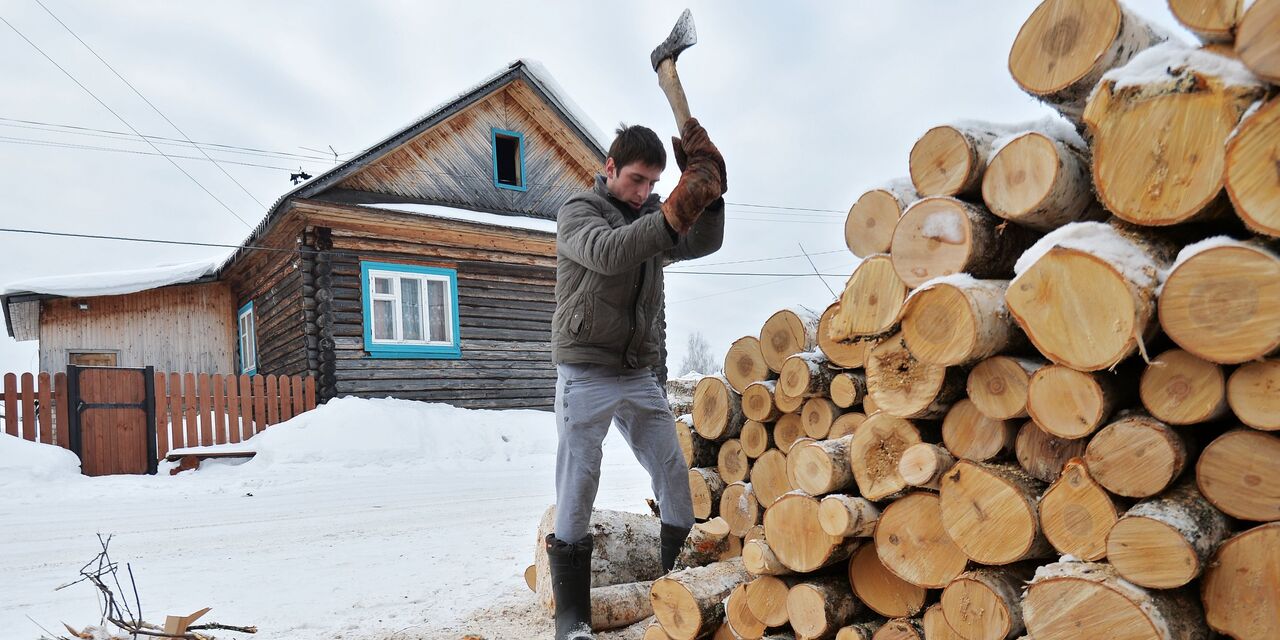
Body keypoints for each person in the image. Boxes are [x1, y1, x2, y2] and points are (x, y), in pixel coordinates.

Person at [544, 118, 726, 640]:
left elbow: (701, 244)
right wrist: (671, 213)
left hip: (638, 372)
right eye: (636, 180)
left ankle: (683, 591)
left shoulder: (652, 216)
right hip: (586, 371)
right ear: (609, 168)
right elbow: (611, 253)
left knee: (672, 472)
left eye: (653, 183)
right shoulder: (579, 212)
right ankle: (572, 621)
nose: (645, 191)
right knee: (579, 483)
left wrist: (710, 198)